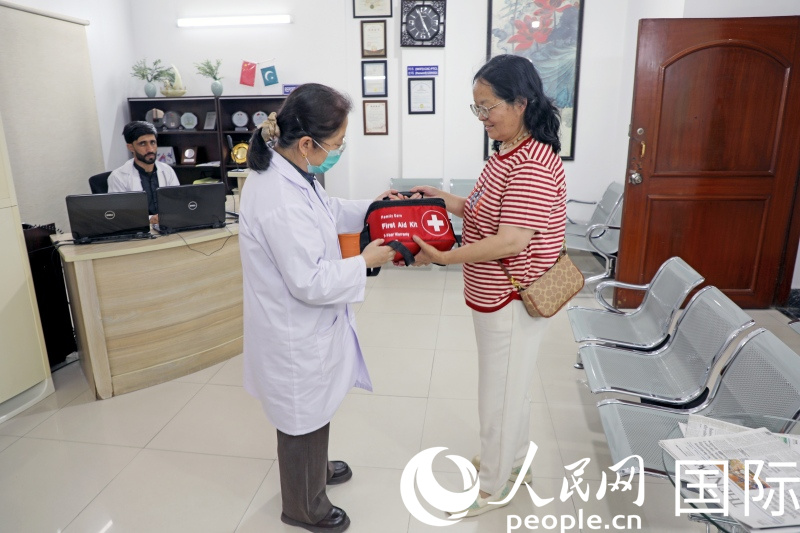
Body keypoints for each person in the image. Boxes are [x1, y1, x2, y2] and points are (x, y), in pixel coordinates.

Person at [238, 83, 399, 533]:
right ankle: (303, 507)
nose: (339, 151)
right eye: (337, 144)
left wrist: (373, 208)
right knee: (300, 416)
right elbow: (309, 281)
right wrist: (364, 260)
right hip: (293, 331)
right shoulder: (279, 198)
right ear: (307, 143)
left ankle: (317, 470)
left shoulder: (293, 173)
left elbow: (329, 209)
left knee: (314, 407)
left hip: (306, 326)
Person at [410, 54, 567, 517]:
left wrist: (445, 258)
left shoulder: (532, 163)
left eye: (488, 107)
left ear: (520, 103)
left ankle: (494, 487)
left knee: (499, 395)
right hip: (495, 293)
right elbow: (484, 209)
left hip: (513, 297)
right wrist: (444, 199)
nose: (482, 117)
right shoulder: (506, 152)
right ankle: (513, 464)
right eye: (476, 107)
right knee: (509, 387)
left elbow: (511, 240)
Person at [107, 120, 179, 224]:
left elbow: (177, 204)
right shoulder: (118, 177)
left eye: (152, 142)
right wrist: (150, 220)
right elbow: (119, 215)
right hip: (137, 229)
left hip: (167, 226)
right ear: (131, 147)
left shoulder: (167, 170)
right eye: (143, 144)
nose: (150, 149)